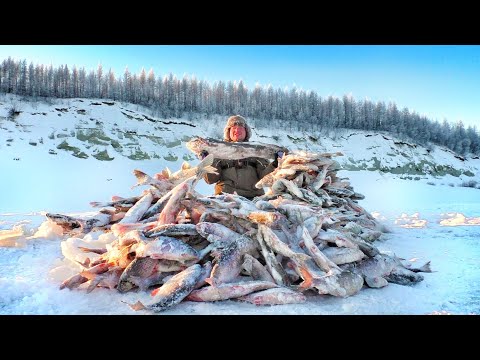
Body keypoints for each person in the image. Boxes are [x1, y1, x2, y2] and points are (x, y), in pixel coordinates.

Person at [199, 115, 284, 200]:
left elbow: (265, 177)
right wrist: (206, 162)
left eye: (241, 127)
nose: (237, 130)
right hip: (225, 196)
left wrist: (276, 163)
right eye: (233, 127)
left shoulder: (256, 150)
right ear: (228, 132)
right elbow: (210, 180)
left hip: (254, 197)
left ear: (246, 131)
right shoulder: (219, 151)